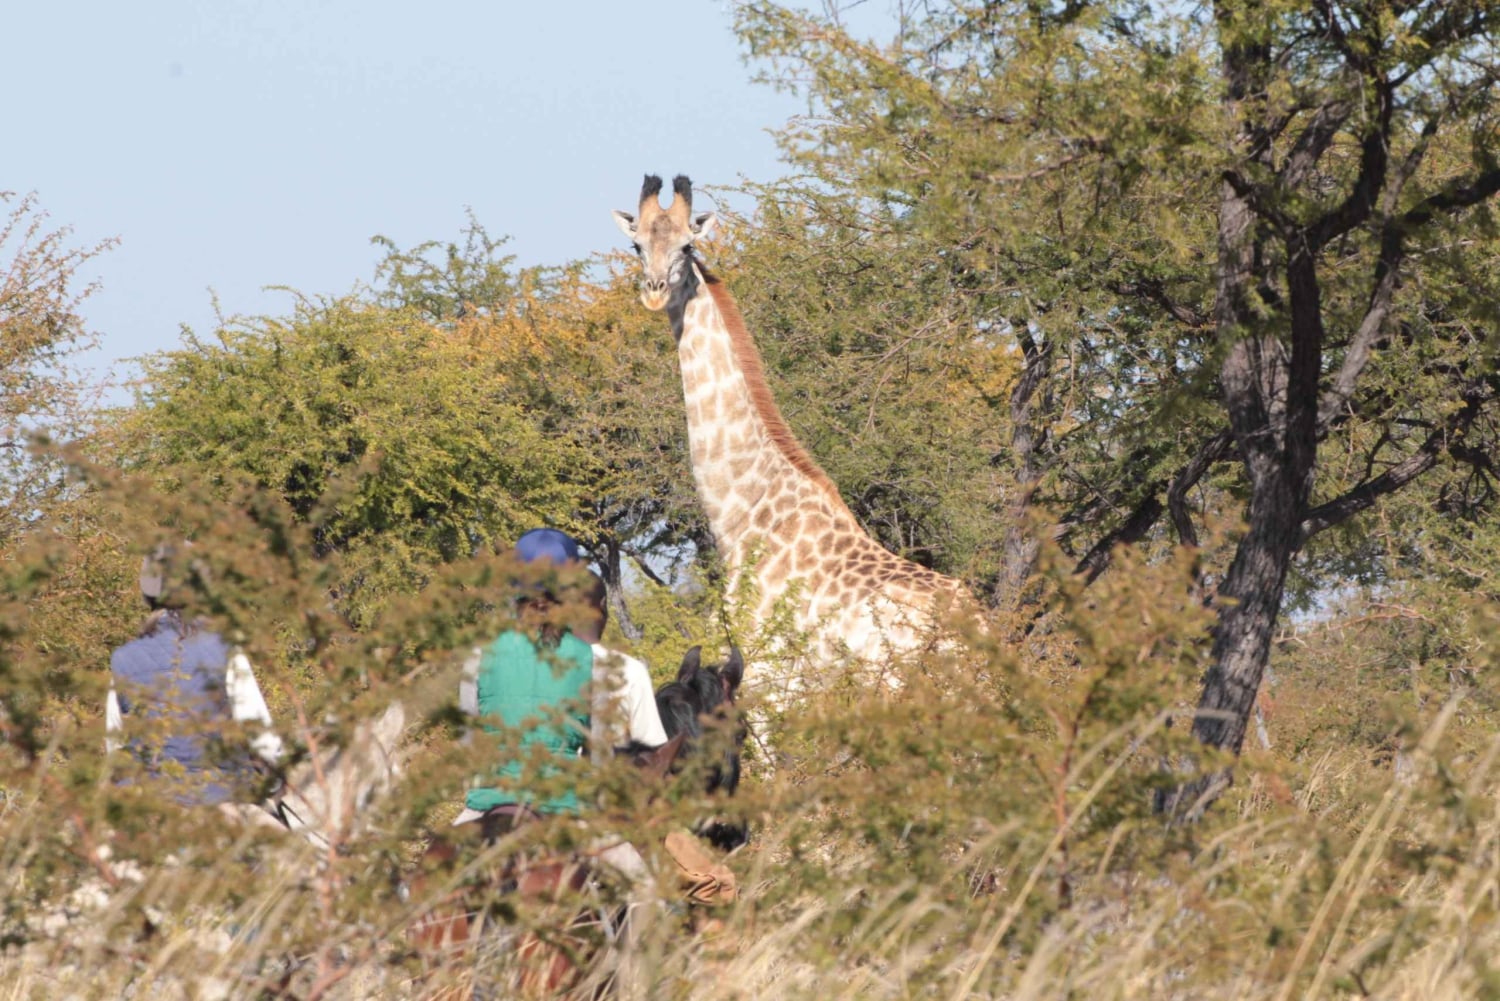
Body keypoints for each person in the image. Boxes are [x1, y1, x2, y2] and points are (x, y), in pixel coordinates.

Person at [106, 544, 284, 812]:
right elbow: (261, 735)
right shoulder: (225, 648)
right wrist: (275, 778)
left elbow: (114, 742)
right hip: (221, 791)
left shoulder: (121, 659)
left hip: (147, 799)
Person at [575, 572, 669, 757]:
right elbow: (651, 752)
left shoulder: (538, 666)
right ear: (602, 605)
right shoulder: (629, 671)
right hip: (605, 782)